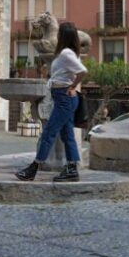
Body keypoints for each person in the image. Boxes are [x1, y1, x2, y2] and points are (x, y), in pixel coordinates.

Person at [15, 21, 88, 182]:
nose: (57, 35)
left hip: (64, 99)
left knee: (49, 132)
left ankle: (33, 168)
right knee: (67, 135)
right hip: (64, 98)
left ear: (63, 36)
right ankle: (72, 169)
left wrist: (73, 86)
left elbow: (83, 71)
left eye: (59, 33)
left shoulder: (66, 53)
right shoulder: (69, 53)